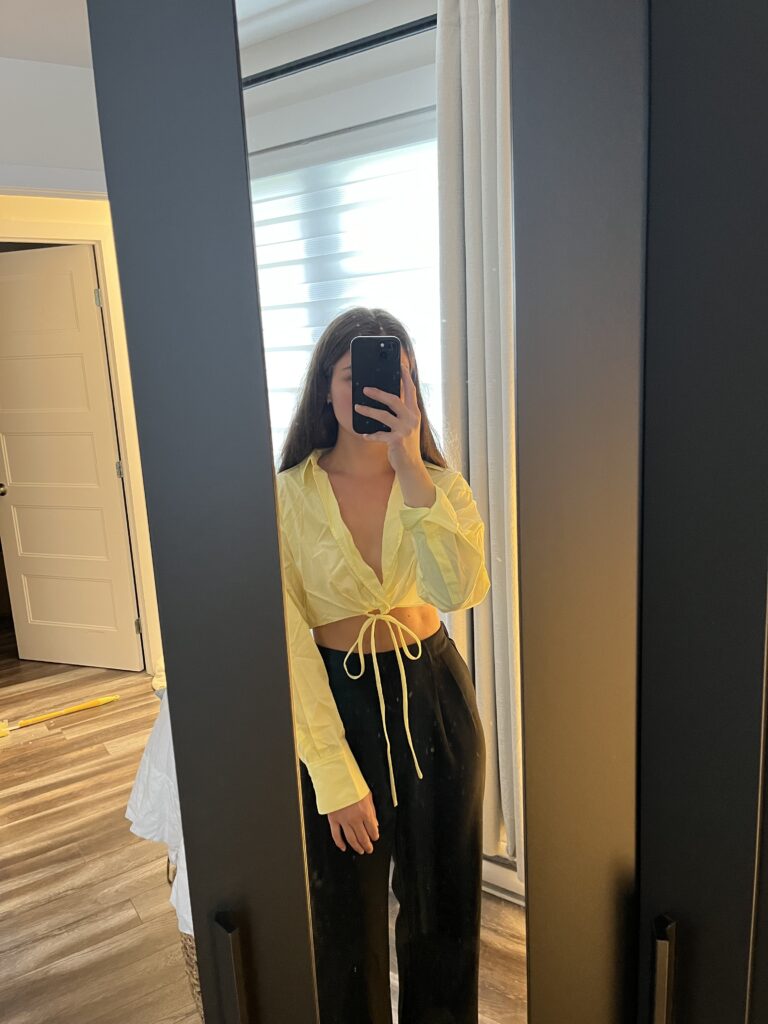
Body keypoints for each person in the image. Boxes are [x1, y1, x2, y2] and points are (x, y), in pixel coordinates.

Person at [276, 306, 491, 1024]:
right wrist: (333, 774)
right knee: (343, 924)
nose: (373, 389)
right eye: (353, 375)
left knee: (444, 914)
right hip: (339, 703)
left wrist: (410, 466)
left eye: (397, 376)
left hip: (435, 695)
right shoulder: (286, 498)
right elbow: (288, 645)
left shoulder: (438, 486)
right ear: (326, 388)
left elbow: (459, 590)